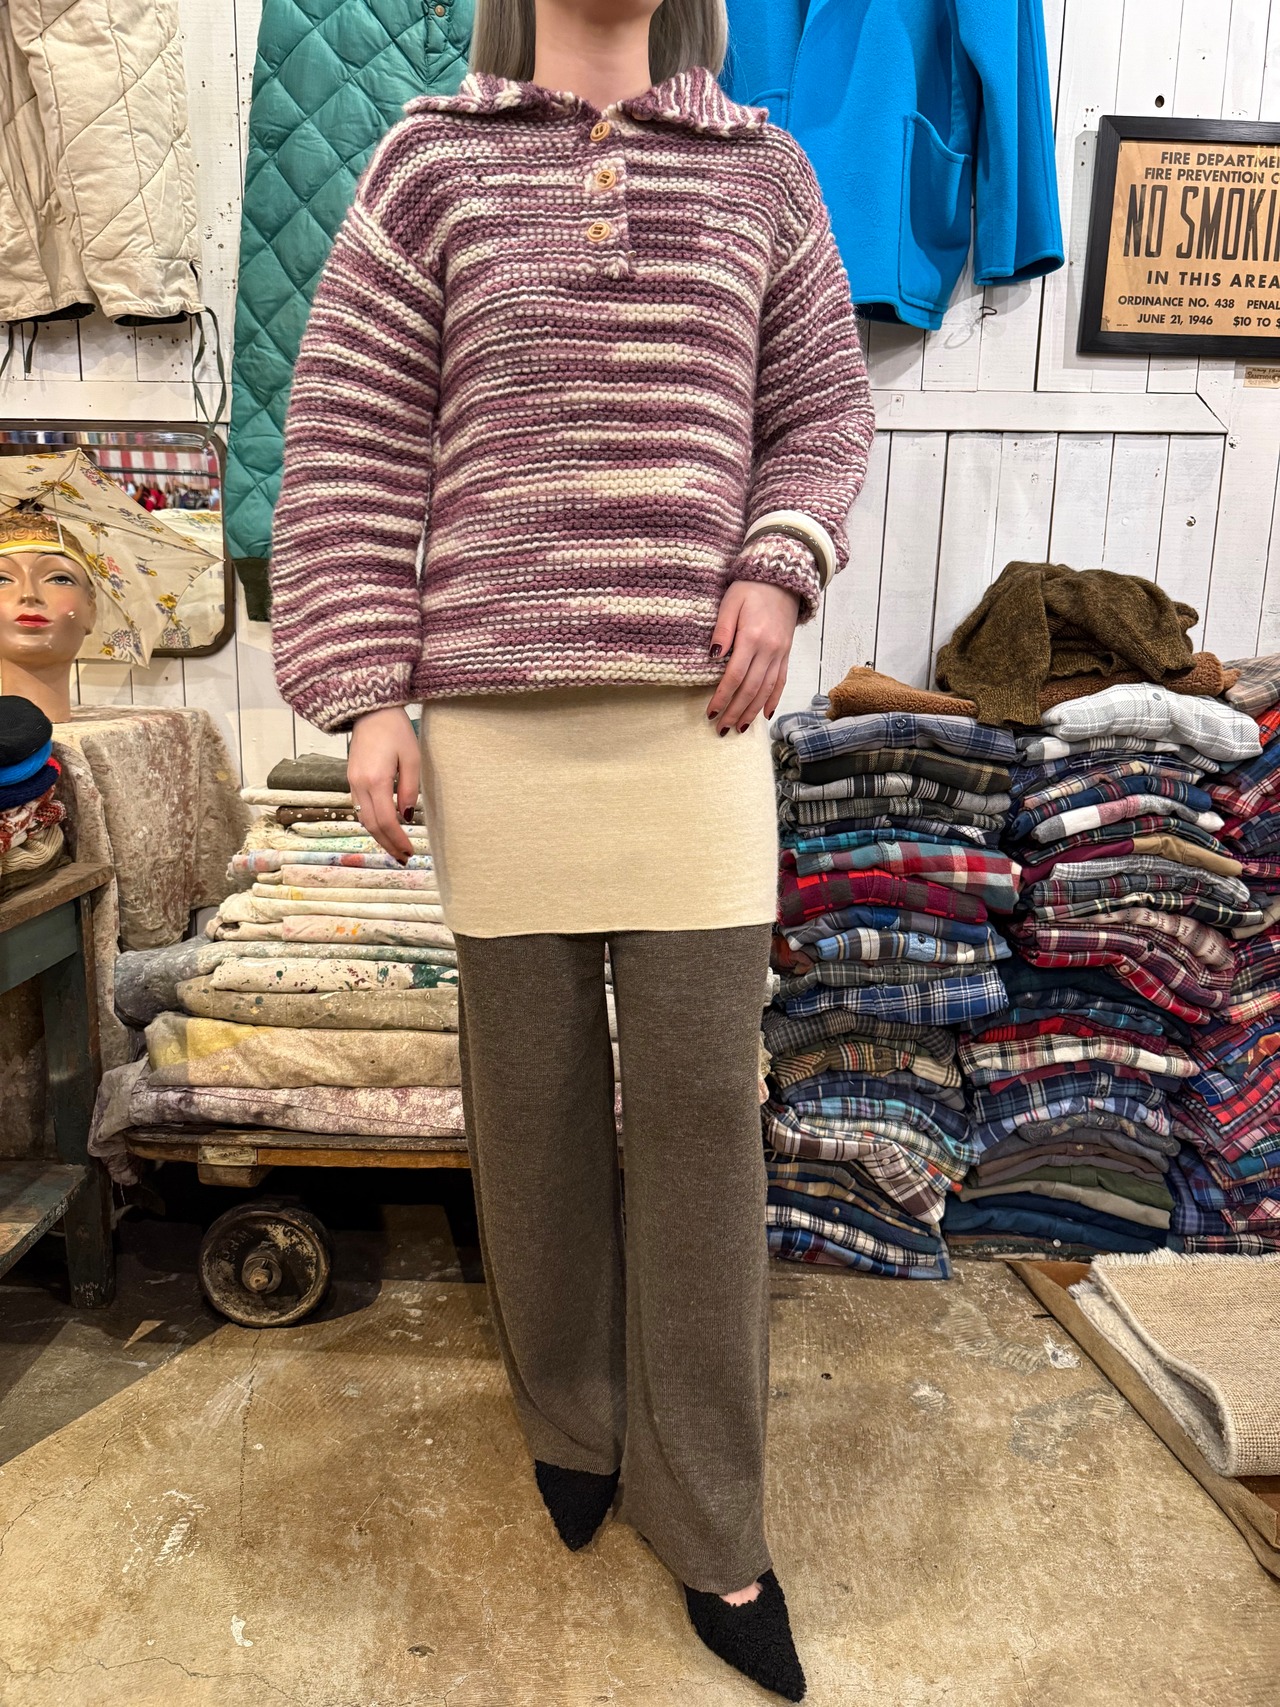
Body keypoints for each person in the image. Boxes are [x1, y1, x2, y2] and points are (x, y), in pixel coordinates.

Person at [269, 0, 873, 1696]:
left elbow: (823, 409)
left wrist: (779, 561)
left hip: (696, 731)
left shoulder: (766, 173)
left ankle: (716, 1516)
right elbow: (353, 438)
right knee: (530, 1113)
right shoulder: (427, 163)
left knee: (700, 1123)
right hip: (497, 727)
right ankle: (574, 1420)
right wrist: (366, 695)